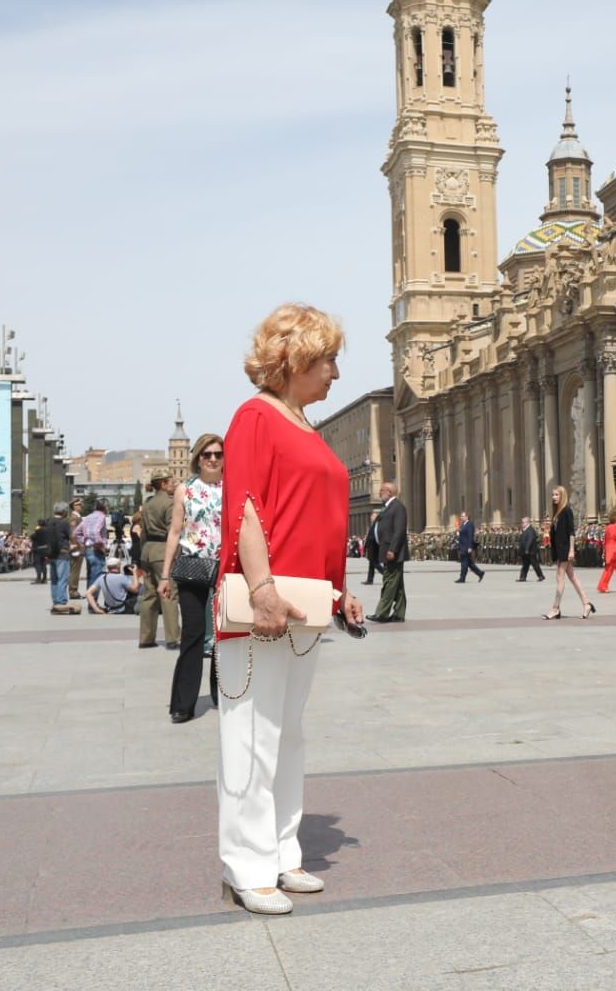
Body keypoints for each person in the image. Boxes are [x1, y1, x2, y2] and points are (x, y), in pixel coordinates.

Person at [214, 302, 365, 915]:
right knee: (251, 733)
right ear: (295, 358)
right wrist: (260, 587)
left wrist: (341, 587)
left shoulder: (304, 424)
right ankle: (245, 865)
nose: (335, 372)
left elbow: (320, 521)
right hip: (266, 602)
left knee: (288, 734)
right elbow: (246, 506)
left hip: (306, 604)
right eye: (328, 359)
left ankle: (281, 851)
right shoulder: (254, 417)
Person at [161, 432, 224, 723]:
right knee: (193, 634)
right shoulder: (185, 489)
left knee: (226, 633)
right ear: (197, 457)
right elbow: (175, 532)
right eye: (206, 454)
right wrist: (165, 575)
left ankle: (221, 694)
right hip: (192, 566)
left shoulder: (233, 487)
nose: (212, 459)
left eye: (217, 454)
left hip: (226, 568)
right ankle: (182, 703)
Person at [137, 472, 181, 650]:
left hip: (148, 550)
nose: (174, 484)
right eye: (171, 482)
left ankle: (146, 638)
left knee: (149, 596)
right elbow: (174, 531)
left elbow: (143, 531)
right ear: (163, 484)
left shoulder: (148, 504)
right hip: (163, 551)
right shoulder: (170, 503)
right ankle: (172, 638)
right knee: (168, 594)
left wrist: (143, 552)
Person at [542, 485, 593, 619]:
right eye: (553, 495)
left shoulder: (566, 511)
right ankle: (586, 603)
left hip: (565, 548)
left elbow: (571, 532)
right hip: (559, 549)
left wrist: (571, 550)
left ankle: (555, 608)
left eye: (556, 495)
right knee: (573, 577)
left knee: (560, 577)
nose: (554, 497)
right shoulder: (557, 513)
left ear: (562, 496)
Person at [368, 481, 407, 623]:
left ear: (389, 492)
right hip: (386, 550)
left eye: (382, 490)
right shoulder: (387, 507)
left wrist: (393, 549)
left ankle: (382, 613)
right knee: (397, 584)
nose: (379, 492)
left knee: (389, 582)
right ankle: (399, 613)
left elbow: (399, 530)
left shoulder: (398, 507)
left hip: (393, 552)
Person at [48, 503, 78, 615]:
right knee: (63, 579)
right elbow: (72, 537)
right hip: (63, 553)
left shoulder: (48, 522)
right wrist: (75, 545)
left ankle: (56, 601)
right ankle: (61, 602)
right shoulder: (64, 523)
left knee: (54, 579)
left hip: (51, 554)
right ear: (64, 511)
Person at [453, 511, 484, 583]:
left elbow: (470, 537)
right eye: (461, 516)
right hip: (462, 546)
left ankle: (462, 578)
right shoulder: (463, 524)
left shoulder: (470, 524)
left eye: (462, 516)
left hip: (466, 547)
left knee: (464, 563)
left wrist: (470, 547)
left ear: (466, 517)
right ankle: (480, 573)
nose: (461, 517)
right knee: (469, 564)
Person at [517, 515, 544, 581]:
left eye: (523, 522)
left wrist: (527, 549)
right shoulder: (525, 530)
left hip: (530, 551)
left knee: (535, 564)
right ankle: (522, 577)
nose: (522, 524)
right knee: (525, 565)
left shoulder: (530, 530)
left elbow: (530, 540)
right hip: (525, 551)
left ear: (527, 523)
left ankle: (541, 576)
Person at [362, 506, 381, 585]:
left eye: (373, 516)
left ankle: (385, 574)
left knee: (375, 563)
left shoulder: (377, 525)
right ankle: (370, 580)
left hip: (374, 547)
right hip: (371, 547)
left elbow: (374, 537)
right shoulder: (373, 525)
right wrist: (365, 547)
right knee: (371, 564)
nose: (371, 517)